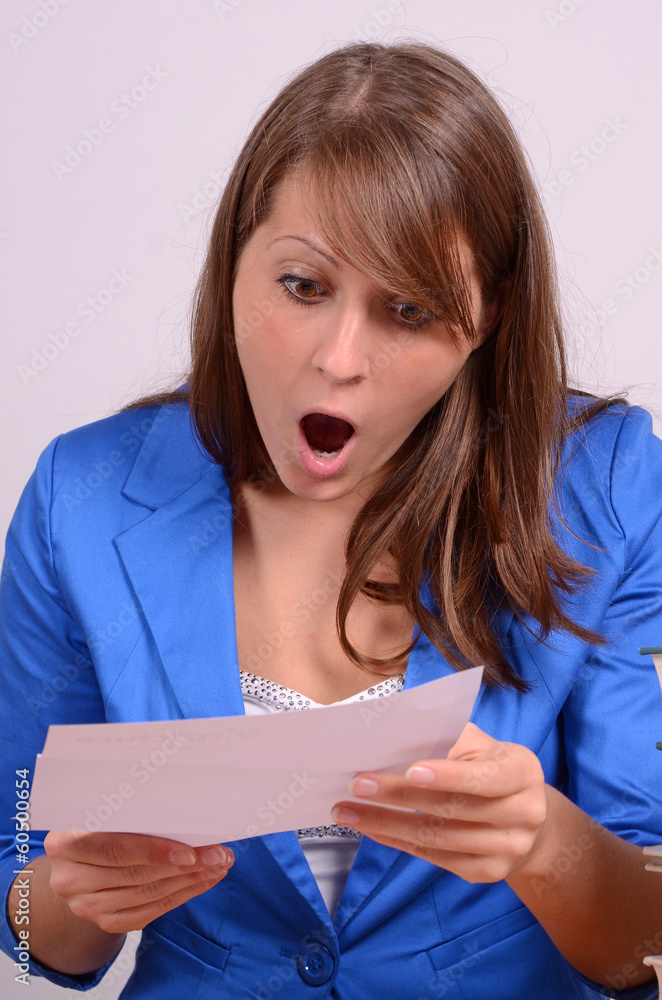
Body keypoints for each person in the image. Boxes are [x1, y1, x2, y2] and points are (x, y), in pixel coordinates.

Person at [1, 38, 662, 1000]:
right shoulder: (82, 497)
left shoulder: (605, 484)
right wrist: (73, 898)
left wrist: (544, 844)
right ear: (233, 263)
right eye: (303, 287)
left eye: (409, 309)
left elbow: (646, 933)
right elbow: (24, 907)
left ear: (486, 320)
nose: (340, 358)